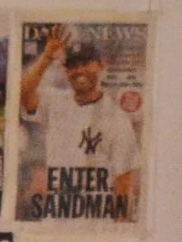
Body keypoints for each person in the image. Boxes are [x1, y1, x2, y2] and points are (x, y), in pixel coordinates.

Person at [19, 25, 142, 222]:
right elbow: (23, 94)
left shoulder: (117, 118)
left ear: (102, 65)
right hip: (56, 217)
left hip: (96, 223)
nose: (79, 71)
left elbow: (124, 185)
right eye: (73, 65)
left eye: (86, 63)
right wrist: (46, 59)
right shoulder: (55, 101)